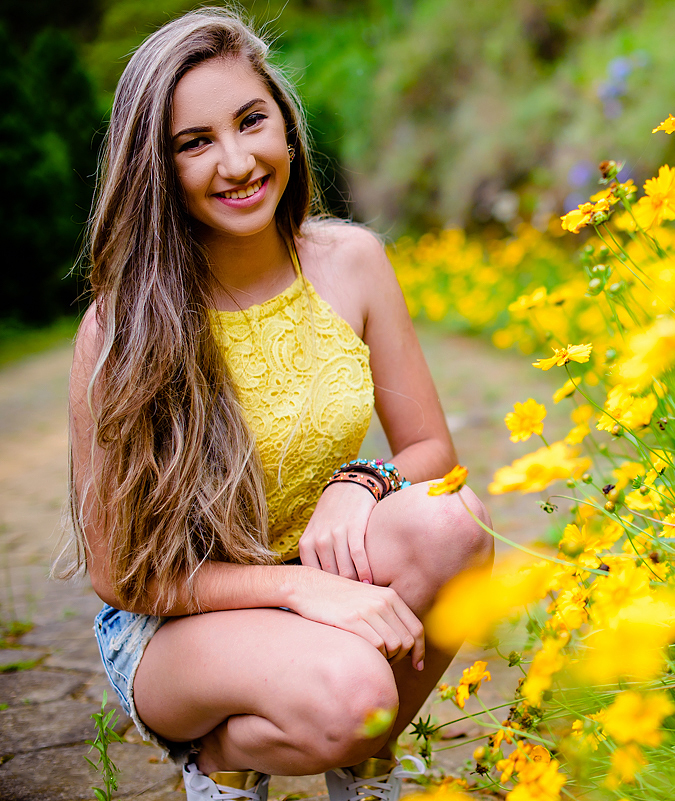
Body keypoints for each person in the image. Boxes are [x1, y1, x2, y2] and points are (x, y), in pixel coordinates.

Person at [59, 8, 494, 800]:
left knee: (453, 524)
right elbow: (122, 574)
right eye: (194, 143)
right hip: (176, 624)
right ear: (156, 167)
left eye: (251, 121)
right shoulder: (121, 326)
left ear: (286, 127)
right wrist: (299, 588)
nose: (237, 161)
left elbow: (433, 452)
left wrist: (356, 484)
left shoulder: (352, 260)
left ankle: (361, 757)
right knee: (355, 692)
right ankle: (223, 758)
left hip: (323, 571)